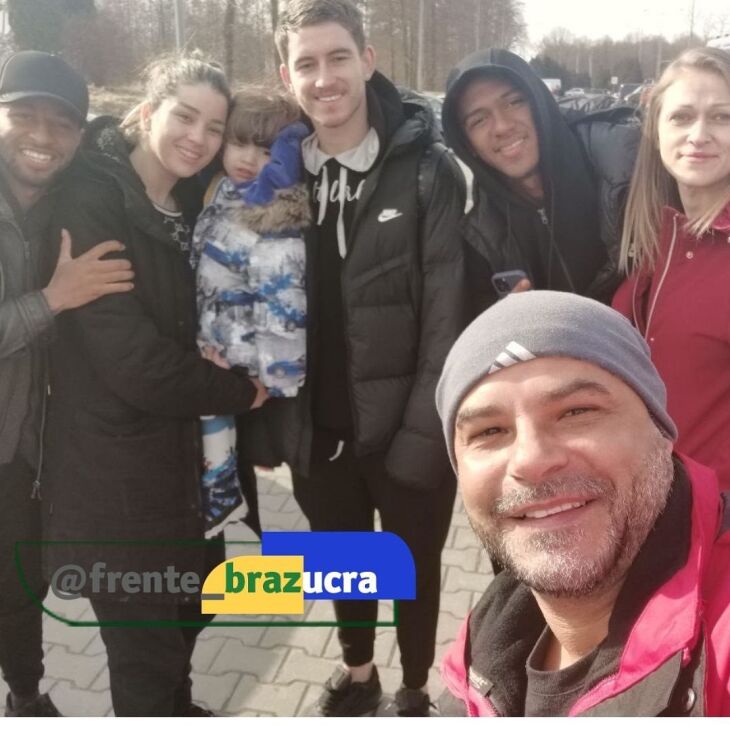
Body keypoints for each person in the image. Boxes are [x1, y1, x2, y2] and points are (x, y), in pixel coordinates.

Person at [41, 54, 266, 716]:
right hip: (120, 479)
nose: (198, 137)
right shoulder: (92, 201)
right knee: (143, 653)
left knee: (193, 613)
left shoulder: (192, 200)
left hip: (189, 470)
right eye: (184, 116)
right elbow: (131, 361)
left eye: (214, 127)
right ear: (148, 112)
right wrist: (241, 392)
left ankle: (181, 708)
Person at [275, 0, 467, 716]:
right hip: (318, 430)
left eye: (338, 58)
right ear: (286, 74)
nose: (324, 79)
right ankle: (360, 675)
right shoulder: (277, 173)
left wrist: (421, 439)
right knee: (345, 570)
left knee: (412, 575)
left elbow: (446, 316)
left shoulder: (425, 171)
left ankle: (416, 686)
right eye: (307, 63)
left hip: (406, 432)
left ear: (368, 60)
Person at [434, 290, 730, 717]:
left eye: (577, 412)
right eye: (489, 432)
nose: (531, 460)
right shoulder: (476, 655)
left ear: (661, 432)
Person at [0, 50, 134, 717]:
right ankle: (25, 696)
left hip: (36, 445)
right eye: (24, 116)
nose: (43, 138)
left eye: (62, 124)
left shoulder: (72, 194)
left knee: (22, 585)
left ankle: (29, 691)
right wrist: (53, 300)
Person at [441, 49, 640, 315]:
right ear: (468, 145)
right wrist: (507, 321)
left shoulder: (624, 168)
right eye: (479, 120)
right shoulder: (481, 231)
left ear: (541, 104)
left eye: (514, 102)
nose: (501, 126)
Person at [193, 85, 310, 537]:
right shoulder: (220, 193)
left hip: (242, 375)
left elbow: (283, 312)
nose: (246, 158)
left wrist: (266, 384)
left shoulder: (274, 219)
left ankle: (231, 512)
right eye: (238, 142)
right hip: (214, 357)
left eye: (264, 150)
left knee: (226, 454)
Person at [613, 47, 730, 490]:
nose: (699, 134)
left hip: (713, 527)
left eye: (721, 117)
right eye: (681, 117)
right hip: (647, 501)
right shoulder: (657, 234)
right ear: (656, 132)